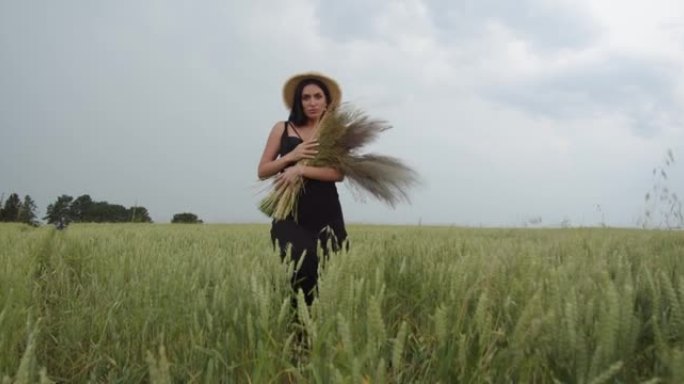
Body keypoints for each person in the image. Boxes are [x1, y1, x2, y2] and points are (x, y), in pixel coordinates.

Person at [258, 72, 348, 306]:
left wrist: (300, 170)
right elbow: (263, 170)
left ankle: (315, 333)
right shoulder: (283, 128)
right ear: (298, 102)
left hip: (326, 211)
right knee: (299, 268)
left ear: (327, 101)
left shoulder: (334, 132)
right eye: (306, 97)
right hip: (289, 212)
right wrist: (291, 156)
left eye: (318, 96)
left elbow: (338, 173)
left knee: (326, 276)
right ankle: (297, 332)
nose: (312, 102)